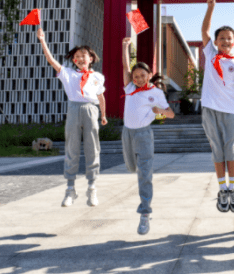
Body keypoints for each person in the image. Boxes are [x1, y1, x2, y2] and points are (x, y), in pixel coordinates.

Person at [37, 27, 107, 207]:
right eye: (77, 56)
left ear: (91, 59)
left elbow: (101, 97)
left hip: (91, 110)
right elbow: (51, 60)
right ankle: (70, 189)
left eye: (84, 55)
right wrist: (43, 40)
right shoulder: (67, 73)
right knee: (72, 148)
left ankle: (92, 188)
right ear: (74, 60)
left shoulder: (97, 76)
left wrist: (103, 115)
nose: (81, 58)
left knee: (93, 148)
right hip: (74, 110)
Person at [200, 0, 234, 213]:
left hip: (231, 112)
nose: (226, 41)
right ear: (216, 42)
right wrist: (211, 8)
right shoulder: (210, 54)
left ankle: (233, 188)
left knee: (231, 151)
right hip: (210, 110)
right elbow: (204, 32)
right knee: (217, 151)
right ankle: (222, 190)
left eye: (230, 38)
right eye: (222, 38)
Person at [121, 38, 175, 235]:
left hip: (144, 135)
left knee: (144, 173)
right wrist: (125, 47)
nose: (139, 79)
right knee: (131, 168)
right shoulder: (130, 88)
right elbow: (126, 67)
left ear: (150, 75)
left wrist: (158, 110)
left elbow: (171, 114)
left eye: (142, 75)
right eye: (136, 76)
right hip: (127, 133)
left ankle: (145, 213)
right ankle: (143, 197)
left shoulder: (156, 92)